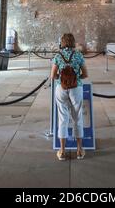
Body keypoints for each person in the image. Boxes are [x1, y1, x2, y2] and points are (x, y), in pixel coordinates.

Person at [51, 33, 88, 161]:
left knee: (63, 119)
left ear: (62, 42)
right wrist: (76, 78)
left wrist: (61, 80)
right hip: (76, 88)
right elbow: (85, 74)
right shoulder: (78, 55)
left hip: (61, 89)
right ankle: (79, 150)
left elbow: (53, 76)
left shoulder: (58, 56)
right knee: (77, 118)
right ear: (73, 42)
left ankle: (62, 151)